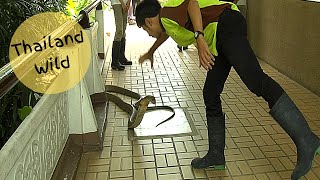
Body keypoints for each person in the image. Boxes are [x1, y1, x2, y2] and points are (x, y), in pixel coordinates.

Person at [135, 0, 320, 179]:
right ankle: (216, 155)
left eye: (145, 28)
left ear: (149, 21)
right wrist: (151, 52)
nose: (148, 33)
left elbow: (192, 2)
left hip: (226, 24)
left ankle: (307, 140)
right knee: (211, 92)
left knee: (255, 80)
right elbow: (166, 33)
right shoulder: (167, 21)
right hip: (219, 34)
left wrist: (199, 38)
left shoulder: (167, 13)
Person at [111, 0, 133, 70]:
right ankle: (114, 62)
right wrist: (123, 4)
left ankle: (121, 58)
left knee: (123, 30)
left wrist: (128, 2)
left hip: (126, 3)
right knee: (119, 30)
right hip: (117, 3)